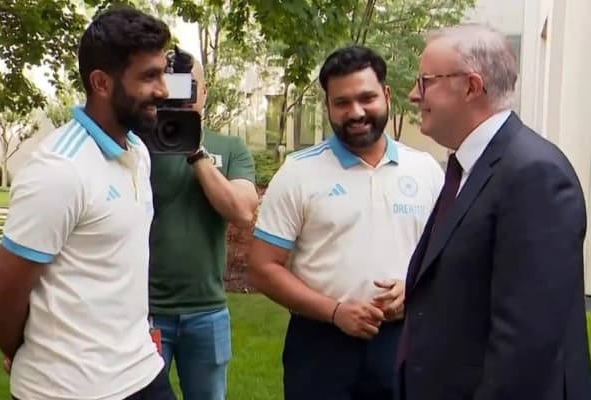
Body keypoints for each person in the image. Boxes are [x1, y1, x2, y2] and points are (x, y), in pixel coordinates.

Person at [0, 7, 177, 400]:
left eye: (163, 73)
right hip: (70, 389)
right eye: (149, 76)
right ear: (102, 83)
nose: (163, 90)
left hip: (141, 370)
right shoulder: (59, 170)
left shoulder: (137, 150)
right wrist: (28, 352)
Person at [398, 23, 591, 400]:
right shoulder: (471, 166)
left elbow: (526, 346)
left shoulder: (534, 173)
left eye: (425, 81)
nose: (413, 94)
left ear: (471, 86)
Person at [247, 45, 444, 400]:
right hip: (321, 345)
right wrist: (335, 312)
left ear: (386, 94)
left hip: (405, 338)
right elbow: (262, 268)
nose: (356, 112)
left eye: (366, 97)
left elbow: (445, 258)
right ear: (328, 107)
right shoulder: (299, 172)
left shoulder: (426, 170)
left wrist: (412, 288)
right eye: (342, 103)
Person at [148, 47, 259, 400]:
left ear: (205, 90)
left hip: (207, 311)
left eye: (188, 86)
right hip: (144, 312)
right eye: (171, 86)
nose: (179, 96)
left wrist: (195, 153)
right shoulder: (135, 145)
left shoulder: (229, 146)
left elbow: (243, 213)